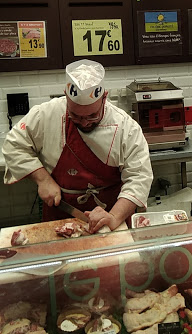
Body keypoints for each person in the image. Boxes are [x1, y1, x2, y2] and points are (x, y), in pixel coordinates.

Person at [2, 59, 153, 233]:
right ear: (66, 97)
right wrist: (42, 179)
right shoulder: (46, 114)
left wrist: (114, 217)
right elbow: (14, 144)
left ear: (104, 98)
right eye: (75, 115)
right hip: (59, 215)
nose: (84, 122)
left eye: (92, 116)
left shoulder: (126, 127)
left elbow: (139, 177)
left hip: (110, 218)